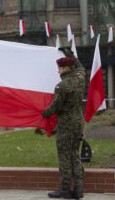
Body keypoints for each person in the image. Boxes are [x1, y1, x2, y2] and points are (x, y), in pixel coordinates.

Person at [42, 54, 85, 199]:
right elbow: (81, 68)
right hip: (78, 123)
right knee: (75, 155)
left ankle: (65, 189)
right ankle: (79, 189)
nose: (58, 71)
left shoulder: (62, 86)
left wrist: (44, 113)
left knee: (65, 157)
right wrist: (72, 55)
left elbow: (55, 106)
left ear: (66, 68)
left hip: (66, 125)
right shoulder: (80, 79)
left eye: (59, 68)